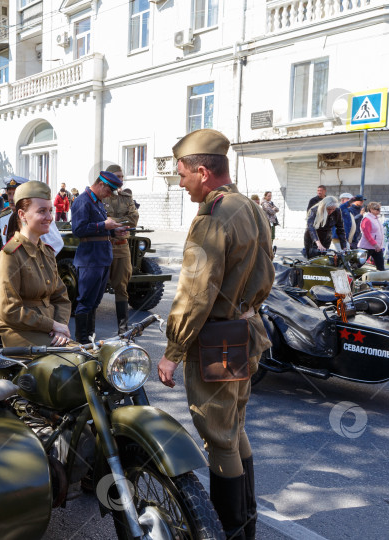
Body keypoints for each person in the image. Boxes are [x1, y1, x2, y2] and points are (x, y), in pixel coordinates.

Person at [157, 129, 273, 540]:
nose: (181, 180)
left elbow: (194, 293)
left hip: (219, 339)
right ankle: (247, 523)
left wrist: (173, 349)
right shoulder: (251, 207)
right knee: (235, 427)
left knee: (218, 435)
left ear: (203, 172)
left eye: (183, 173)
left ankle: (230, 531)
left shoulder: (214, 216)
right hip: (246, 329)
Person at [0, 181, 72, 347]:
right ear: (22, 215)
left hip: (48, 330)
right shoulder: (9, 256)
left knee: (90, 362)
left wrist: (59, 326)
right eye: (41, 211)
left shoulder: (47, 252)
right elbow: (9, 310)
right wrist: (52, 325)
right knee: (70, 366)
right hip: (19, 333)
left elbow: (61, 297)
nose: (49, 217)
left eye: (50, 211)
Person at [71, 171, 125, 343]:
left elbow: (100, 230)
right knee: (85, 301)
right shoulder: (83, 201)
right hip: (90, 259)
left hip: (101, 257)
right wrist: (104, 224)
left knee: (94, 301)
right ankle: (82, 340)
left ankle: (90, 337)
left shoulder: (98, 202)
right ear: (101, 184)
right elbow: (78, 230)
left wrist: (114, 230)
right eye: (109, 191)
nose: (110, 195)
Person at [103, 164, 140, 333]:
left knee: (122, 288)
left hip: (121, 247)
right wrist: (116, 222)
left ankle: (123, 329)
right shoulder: (100, 197)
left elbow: (133, 220)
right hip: (103, 246)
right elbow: (99, 219)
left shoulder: (126, 197)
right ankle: (88, 335)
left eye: (122, 176)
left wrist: (111, 222)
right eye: (117, 176)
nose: (121, 180)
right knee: (95, 288)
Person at [360, 201, 385, 270]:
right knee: (359, 264)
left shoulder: (376, 219)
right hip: (367, 246)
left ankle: (382, 279)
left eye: (379, 209)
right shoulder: (367, 219)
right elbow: (366, 234)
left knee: (380, 266)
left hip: (377, 247)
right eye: (377, 209)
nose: (379, 211)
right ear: (371, 209)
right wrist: (375, 244)